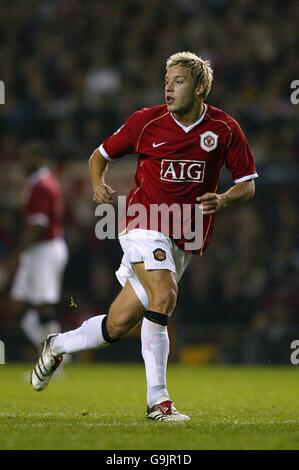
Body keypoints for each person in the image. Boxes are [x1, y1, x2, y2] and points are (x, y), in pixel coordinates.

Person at [31, 52, 258, 422]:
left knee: (118, 325)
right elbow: (99, 156)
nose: (169, 86)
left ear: (200, 88)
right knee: (164, 295)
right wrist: (97, 185)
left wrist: (223, 198)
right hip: (142, 223)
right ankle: (158, 401)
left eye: (179, 80)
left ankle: (58, 345)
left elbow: (247, 185)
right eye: (166, 80)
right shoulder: (145, 121)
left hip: (184, 236)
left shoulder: (225, 129)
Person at [9, 141, 68, 353]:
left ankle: (56, 359)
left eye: (27, 156)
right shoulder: (37, 182)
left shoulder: (42, 185)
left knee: (44, 306)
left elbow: (37, 226)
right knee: (17, 305)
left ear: (38, 158)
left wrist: (16, 254)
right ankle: (53, 354)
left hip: (45, 249)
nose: (22, 161)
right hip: (36, 251)